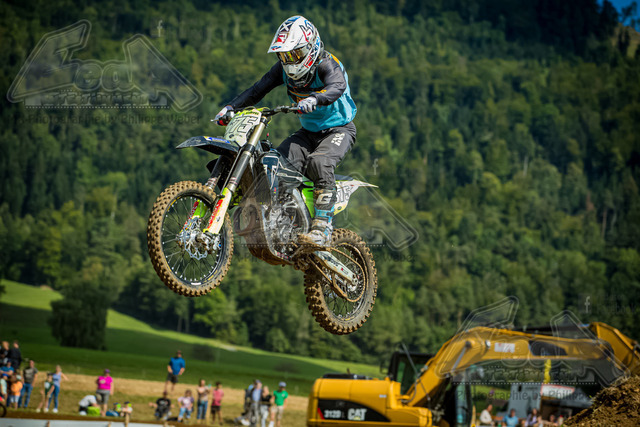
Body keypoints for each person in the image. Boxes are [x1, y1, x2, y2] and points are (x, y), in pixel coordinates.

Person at [214, 15, 357, 247]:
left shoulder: (326, 64)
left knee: (319, 163)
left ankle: (322, 228)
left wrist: (316, 98)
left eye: (294, 54)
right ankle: (286, 223)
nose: (289, 61)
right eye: (284, 56)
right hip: (308, 133)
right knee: (272, 166)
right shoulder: (282, 70)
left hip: (338, 130)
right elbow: (257, 90)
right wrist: (231, 107)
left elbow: (337, 86)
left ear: (311, 47)